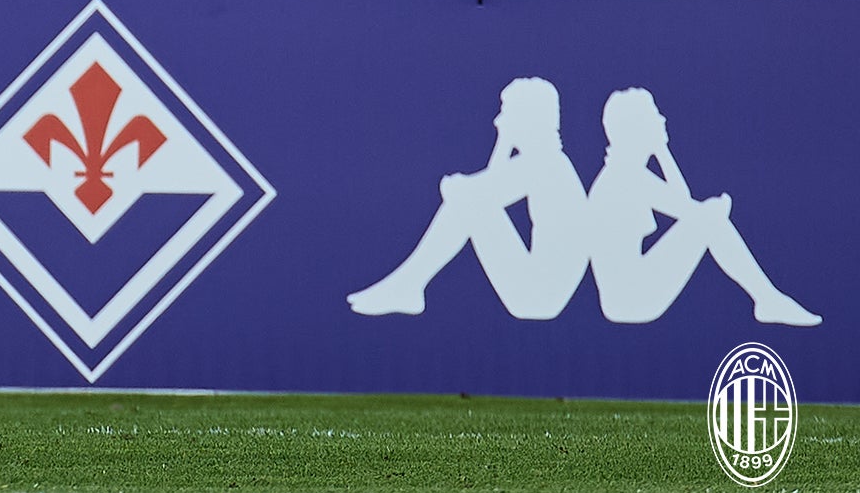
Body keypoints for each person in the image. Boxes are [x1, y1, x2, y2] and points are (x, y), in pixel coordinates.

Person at [347, 77, 590, 319]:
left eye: (506, 114)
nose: (498, 122)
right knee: (469, 201)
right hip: (540, 294)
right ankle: (407, 285)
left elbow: (475, 191)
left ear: (526, 119)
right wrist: (502, 145)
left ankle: (407, 285)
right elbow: (488, 187)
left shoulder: (542, 163)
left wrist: (463, 180)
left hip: (538, 297)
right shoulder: (547, 161)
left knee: (466, 202)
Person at [585, 88, 820, 326]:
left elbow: (681, 202)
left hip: (625, 299)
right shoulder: (626, 178)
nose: (662, 120)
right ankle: (768, 300)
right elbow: (688, 209)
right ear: (637, 128)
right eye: (654, 115)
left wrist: (662, 151)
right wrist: (713, 211)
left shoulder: (625, 174)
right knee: (710, 219)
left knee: (708, 217)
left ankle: (768, 299)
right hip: (631, 300)